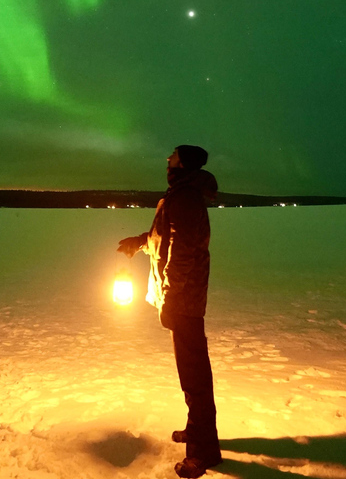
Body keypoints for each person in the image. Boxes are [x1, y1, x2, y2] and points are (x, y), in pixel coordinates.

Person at [117, 145, 221, 478]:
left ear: (184, 163)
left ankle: (202, 452)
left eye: (172, 156)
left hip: (184, 299)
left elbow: (183, 253)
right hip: (180, 297)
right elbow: (165, 239)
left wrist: (171, 300)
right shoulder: (178, 196)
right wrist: (140, 241)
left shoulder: (186, 199)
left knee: (194, 375)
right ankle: (200, 433)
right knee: (190, 371)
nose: (167, 160)